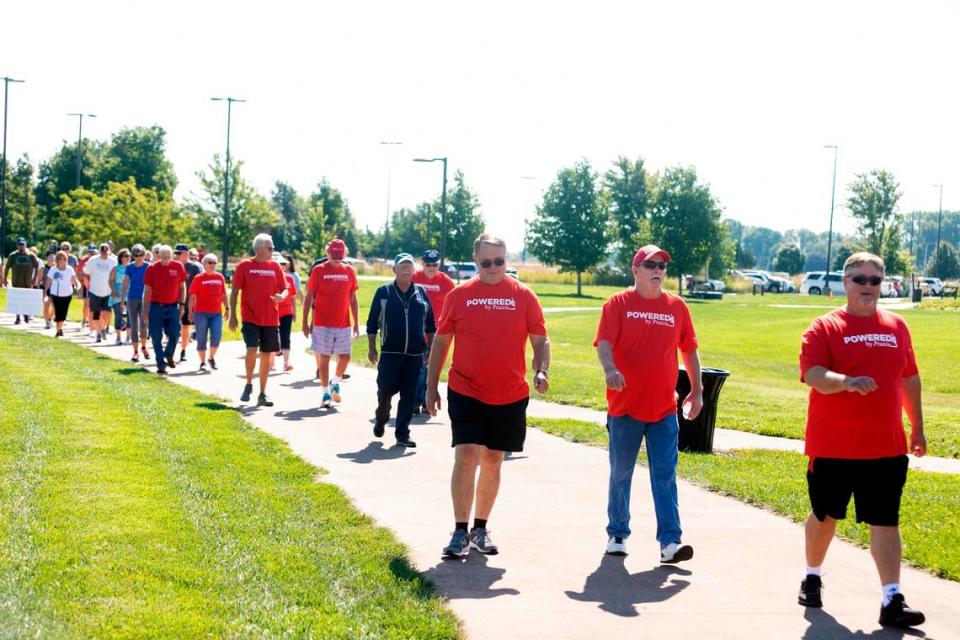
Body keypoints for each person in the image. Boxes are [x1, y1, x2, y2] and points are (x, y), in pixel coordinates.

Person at [798, 252, 927, 629]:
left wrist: (916, 426)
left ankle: (892, 599)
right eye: (860, 279)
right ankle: (812, 575)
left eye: (874, 280)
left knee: (886, 520)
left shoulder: (897, 326)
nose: (868, 286)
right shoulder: (824, 327)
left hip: (886, 446)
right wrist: (847, 383)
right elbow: (814, 374)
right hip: (833, 445)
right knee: (825, 516)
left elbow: (909, 378)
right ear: (846, 281)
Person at [426, 234, 550, 558]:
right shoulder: (459, 296)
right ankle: (459, 532)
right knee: (466, 454)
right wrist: (430, 385)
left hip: (509, 393)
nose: (494, 268)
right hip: (466, 388)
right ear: (475, 260)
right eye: (486, 262)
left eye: (500, 261)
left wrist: (542, 370)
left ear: (506, 259)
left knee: (494, 458)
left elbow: (540, 340)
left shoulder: (524, 296)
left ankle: (480, 530)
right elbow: (441, 342)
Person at [594, 244, 701, 563]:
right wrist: (610, 369)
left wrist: (696, 391)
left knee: (665, 474)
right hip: (625, 407)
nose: (658, 270)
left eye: (662, 266)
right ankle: (617, 533)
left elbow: (690, 350)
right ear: (635, 269)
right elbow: (604, 342)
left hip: (664, 408)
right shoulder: (618, 303)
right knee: (621, 472)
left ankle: (670, 542)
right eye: (651, 264)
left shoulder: (677, 307)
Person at [367, 253, 436, 448]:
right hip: (390, 354)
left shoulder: (421, 293)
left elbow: (431, 325)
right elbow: (372, 323)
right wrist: (372, 348)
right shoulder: (384, 292)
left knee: (409, 395)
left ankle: (402, 434)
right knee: (385, 390)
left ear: (415, 270)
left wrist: (430, 349)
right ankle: (381, 417)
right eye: (402, 265)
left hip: (415, 356)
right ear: (394, 269)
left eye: (409, 266)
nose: (406, 269)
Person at [228, 233, 287, 406]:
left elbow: (284, 289)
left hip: (270, 318)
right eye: (270, 248)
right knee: (252, 348)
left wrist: (281, 297)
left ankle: (262, 393)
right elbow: (235, 291)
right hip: (250, 316)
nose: (273, 251)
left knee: (267, 355)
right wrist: (232, 315)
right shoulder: (244, 266)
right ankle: (248, 384)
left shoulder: (276, 267)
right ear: (260, 249)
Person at [302, 239, 359, 408]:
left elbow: (353, 299)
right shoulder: (318, 270)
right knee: (324, 358)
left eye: (339, 256)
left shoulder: (349, 270)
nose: (336, 259)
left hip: (343, 322)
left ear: (344, 254)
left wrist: (356, 323)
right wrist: (305, 322)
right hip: (322, 322)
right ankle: (325, 393)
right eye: (333, 255)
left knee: (345, 356)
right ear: (327, 253)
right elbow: (309, 297)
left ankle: (336, 381)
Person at [412, 248, 456, 414]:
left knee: (428, 368)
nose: (431, 268)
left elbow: (454, 305)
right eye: (428, 264)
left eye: (435, 264)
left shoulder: (446, 282)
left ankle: (422, 400)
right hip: (414, 331)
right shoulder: (414, 278)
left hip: (436, 334)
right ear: (422, 263)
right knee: (417, 368)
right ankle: (417, 401)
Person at [142, 245, 187, 375]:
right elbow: (147, 291)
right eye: (164, 257)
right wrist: (145, 311)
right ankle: (161, 364)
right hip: (156, 306)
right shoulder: (152, 268)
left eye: (169, 257)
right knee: (156, 337)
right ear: (159, 256)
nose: (167, 259)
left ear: (172, 256)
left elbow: (182, 287)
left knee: (174, 334)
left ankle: (168, 354)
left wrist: (182, 305)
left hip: (173, 306)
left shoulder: (178, 266)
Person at [188, 253, 229, 372]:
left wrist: (227, 308)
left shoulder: (220, 277)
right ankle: (202, 362)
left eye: (214, 263)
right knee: (202, 337)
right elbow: (192, 297)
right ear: (204, 264)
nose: (212, 265)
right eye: (209, 262)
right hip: (201, 312)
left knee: (216, 336)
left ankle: (211, 358)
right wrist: (190, 312)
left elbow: (223, 295)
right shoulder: (198, 278)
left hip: (216, 313)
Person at [83, 243, 118, 343]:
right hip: (95, 291)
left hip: (108, 291)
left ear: (109, 252)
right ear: (99, 251)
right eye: (103, 252)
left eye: (106, 252)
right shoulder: (93, 260)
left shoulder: (113, 261)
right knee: (96, 313)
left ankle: (102, 328)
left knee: (107, 313)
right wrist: (88, 287)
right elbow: (86, 274)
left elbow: (116, 276)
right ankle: (98, 333)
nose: (104, 254)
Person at [3, 237, 42, 324]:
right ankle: (17, 317)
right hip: (16, 281)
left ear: (25, 245)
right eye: (19, 245)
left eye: (22, 245)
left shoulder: (31, 255)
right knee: (17, 300)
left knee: (26, 299)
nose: (21, 247)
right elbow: (7, 268)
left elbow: (37, 267)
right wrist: (4, 279)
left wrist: (35, 278)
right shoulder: (13, 255)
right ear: (17, 246)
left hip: (27, 281)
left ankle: (26, 315)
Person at [122, 244, 151, 362]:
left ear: (144, 255)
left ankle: (144, 346)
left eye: (141, 255)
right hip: (132, 298)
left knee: (144, 324)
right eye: (136, 255)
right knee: (133, 325)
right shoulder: (129, 267)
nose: (139, 257)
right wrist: (122, 299)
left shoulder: (149, 267)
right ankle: (135, 351)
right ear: (133, 256)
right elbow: (125, 283)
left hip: (145, 298)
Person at [175, 243, 202, 362]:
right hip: (172, 301)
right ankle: (171, 349)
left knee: (186, 326)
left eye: (178, 253)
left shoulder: (194, 268)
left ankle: (183, 350)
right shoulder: (172, 266)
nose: (176, 255)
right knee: (172, 328)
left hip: (187, 302)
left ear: (186, 254)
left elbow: (198, 286)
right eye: (175, 253)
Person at [45, 251, 78, 337]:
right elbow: (48, 280)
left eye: (63, 259)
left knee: (64, 312)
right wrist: (45, 290)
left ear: (66, 260)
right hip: (55, 294)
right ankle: (58, 329)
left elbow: (74, 279)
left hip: (67, 294)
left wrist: (78, 286)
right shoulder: (53, 269)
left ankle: (60, 327)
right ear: (57, 260)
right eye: (59, 259)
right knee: (57, 311)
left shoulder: (70, 269)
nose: (61, 261)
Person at [275, 252, 298, 372]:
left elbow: (293, 296)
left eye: (284, 264)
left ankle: (286, 362)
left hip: (287, 311)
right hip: (273, 312)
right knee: (273, 336)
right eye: (280, 264)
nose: (282, 266)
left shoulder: (290, 278)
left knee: (285, 336)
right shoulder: (271, 277)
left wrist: (295, 311)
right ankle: (271, 361)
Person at [108, 248, 131, 345]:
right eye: (126, 256)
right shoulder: (116, 269)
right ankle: (118, 337)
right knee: (118, 315)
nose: (128, 258)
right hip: (117, 294)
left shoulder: (132, 267)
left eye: (129, 256)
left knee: (130, 316)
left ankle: (128, 337)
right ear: (121, 258)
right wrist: (113, 290)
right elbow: (110, 280)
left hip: (130, 294)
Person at [77, 244, 97, 332]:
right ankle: (84, 320)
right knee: (87, 305)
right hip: (86, 285)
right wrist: (81, 284)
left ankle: (93, 322)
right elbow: (79, 273)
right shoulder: (84, 260)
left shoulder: (99, 260)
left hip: (97, 286)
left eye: (93, 252)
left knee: (96, 306)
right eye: (90, 252)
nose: (91, 253)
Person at [41, 250, 57, 329]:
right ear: (47, 258)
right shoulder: (43, 268)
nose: (51, 258)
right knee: (46, 305)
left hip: (55, 290)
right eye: (50, 256)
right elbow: (40, 279)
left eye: (53, 257)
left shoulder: (57, 268)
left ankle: (50, 318)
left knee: (55, 307)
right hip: (45, 289)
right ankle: (47, 322)